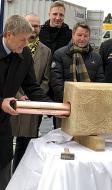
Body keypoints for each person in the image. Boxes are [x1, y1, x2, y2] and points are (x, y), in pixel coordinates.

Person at [0, 15, 68, 190]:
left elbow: (32, 88)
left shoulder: (24, 56)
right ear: (8, 35)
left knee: (3, 169)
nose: (25, 44)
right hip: (2, 109)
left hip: (2, 125)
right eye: (21, 40)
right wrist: (1, 102)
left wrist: (53, 108)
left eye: (27, 39)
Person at [10, 14, 52, 172]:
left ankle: (19, 176)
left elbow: (42, 81)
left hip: (32, 103)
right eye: (30, 24)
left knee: (25, 144)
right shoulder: (14, 47)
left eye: (37, 25)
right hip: (12, 101)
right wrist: (19, 95)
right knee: (7, 143)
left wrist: (46, 104)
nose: (34, 28)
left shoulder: (44, 51)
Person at [50, 22, 104, 127]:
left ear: (89, 37)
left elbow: (100, 82)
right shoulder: (60, 54)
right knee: (63, 139)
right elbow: (56, 82)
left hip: (89, 107)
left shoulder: (96, 57)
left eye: (85, 36)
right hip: (65, 106)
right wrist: (70, 101)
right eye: (79, 35)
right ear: (73, 35)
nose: (82, 39)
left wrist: (89, 101)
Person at [39, 0, 72, 127]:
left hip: (59, 81)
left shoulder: (69, 34)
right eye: (55, 14)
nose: (58, 18)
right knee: (33, 122)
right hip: (42, 81)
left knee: (59, 125)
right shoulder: (40, 32)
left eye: (61, 15)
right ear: (49, 14)